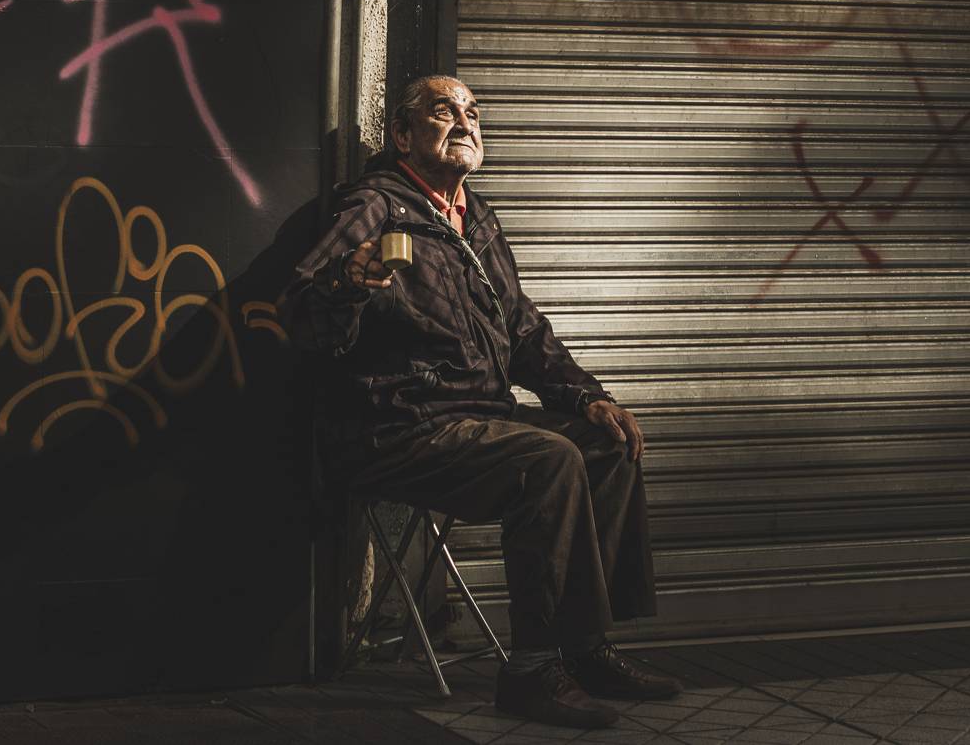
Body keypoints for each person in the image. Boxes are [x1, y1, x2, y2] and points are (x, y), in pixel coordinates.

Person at [285, 74, 682, 728]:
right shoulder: (376, 207)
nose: (465, 122)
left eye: (473, 112)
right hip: (399, 426)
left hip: (477, 420)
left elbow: (523, 329)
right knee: (548, 460)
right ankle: (532, 671)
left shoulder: (478, 219)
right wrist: (349, 283)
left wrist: (588, 397)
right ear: (403, 134)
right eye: (444, 110)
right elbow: (303, 314)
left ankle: (583, 648)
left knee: (608, 445)